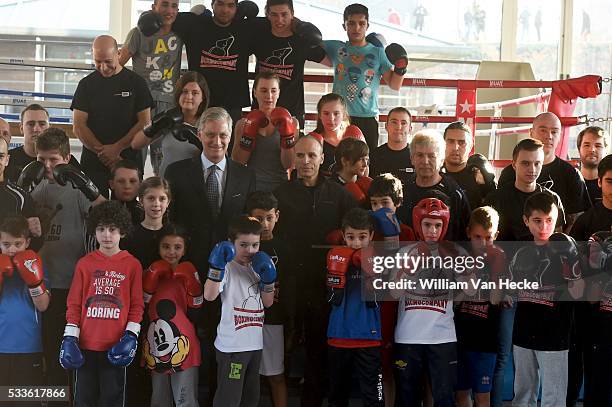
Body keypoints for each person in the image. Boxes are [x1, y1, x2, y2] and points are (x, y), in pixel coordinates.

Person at [165, 106, 255, 404]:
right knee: (190, 336)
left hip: (231, 276)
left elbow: (247, 228)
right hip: (188, 271)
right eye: (211, 134)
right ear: (200, 134)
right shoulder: (177, 172)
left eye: (223, 135)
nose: (217, 141)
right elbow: (171, 224)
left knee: (226, 341)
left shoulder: (245, 175)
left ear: (230, 137)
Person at [274, 134, 357, 406]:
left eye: (312, 155)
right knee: (284, 344)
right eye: (300, 155)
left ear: (322, 158)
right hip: (289, 280)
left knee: (318, 348)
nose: (306, 161)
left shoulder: (340, 195)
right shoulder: (281, 194)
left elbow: (358, 235)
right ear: (293, 159)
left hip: (325, 283)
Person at [28, 128, 105, 394]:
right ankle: (43, 398)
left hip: (69, 284)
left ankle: (64, 399)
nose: (47, 167)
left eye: (53, 160)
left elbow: (108, 217)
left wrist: (89, 189)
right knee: (39, 352)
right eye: (41, 160)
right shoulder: (33, 186)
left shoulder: (77, 188)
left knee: (64, 351)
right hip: (35, 283)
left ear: (67, 158)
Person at [59, 200, 144, 406]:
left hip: (116, 346)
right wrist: (70, 337)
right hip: (85, 345)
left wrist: (131, 334)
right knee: (84, 399)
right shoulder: (85, 264)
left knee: (112, 400)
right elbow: (74, 303)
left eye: (112, 229)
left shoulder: (132, 265)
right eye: (101, 229)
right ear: (93, 231)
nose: (107, 235)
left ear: (122, 232)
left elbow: (136, 305)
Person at [390, 198, 470, 407]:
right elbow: (394, 293)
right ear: (418, 224)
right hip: (408, 336)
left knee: (444, 398)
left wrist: (463, 270)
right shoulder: (405, 253)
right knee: (407, 399)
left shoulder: (455, 252)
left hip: (442, 336)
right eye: (427, 224)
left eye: (437, 225)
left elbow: (471, 290)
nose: (432, 230)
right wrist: (407, 269)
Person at [510, 192, 584, 407]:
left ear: (557, 219)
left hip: (555, 334)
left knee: (553, 398)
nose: (543, 227)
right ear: (526, 220)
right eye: (537, 221)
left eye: (549, 220)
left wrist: (573, 269)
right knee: (523, 394)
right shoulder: (520, 248)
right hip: (523, 331)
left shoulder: (566, 247)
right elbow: (512, 291)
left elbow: (579, 293)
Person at [203, 216, 276, 407]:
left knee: (250, 399)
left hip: (254, 345)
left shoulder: (259, 266)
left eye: (255, 245)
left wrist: (268, 281)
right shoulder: (227, 267)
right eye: (243, 244)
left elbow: (267, 303)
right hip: (232, 347)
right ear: (230, 243)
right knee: (229, 399)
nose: (250, 251)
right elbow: (209, 296)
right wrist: (216, 267)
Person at [72, 35, 153, 196]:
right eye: (98, 62)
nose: (103, 67)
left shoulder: (136, 83)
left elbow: (145, 122)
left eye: (108, 61)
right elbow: (79, 125)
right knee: (95, 213)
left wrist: (118, 148)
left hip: (127, 160)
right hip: (94, 161)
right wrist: (103, 154)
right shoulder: (86, 85)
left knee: (126, 213)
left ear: (119, 53)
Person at [321, 3, 406, 152]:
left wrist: (401, 67)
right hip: (340, 117)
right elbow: (309, 45)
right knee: (338, 159)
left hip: (368, 116)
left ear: (367, 26)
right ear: (344, 26)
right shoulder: (336, 48)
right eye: (351, 23)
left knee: (367, 162)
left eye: (361, 23)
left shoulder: (378, 52)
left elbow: (394, 85)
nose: (357, 28)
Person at [166, 0, 260, 128]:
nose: (225, 10)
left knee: (229, 145)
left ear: (237, 8)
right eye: (220, 4)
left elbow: (276, 27)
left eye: (230, 5)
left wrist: (297, 25)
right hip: (199, 102)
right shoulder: (196, 25)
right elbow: (167, 18)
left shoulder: (245, 29)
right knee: (195, 145)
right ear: (212, 5)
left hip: (232, 104)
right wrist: (194, 13)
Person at [325, 208, 383, 407]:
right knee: (336, 396)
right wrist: (337, 272)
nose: (356, 243)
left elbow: (378, 298)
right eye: (351, 237)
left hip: (369, 337)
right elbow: (333, 299)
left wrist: (371, 272)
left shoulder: (380, 260)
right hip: (339, 335)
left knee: (374, 397)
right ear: (343, 236)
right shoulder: (335, 257)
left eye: (362, 237)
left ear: (371, 236)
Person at [119, 0, 184, 175]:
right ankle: (131, 201)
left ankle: (163, 201)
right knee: (134, 157)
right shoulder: (138, 33)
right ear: (154, 7)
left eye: (174, 6)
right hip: (141, 104)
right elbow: (117, 64)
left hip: (168, 102)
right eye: (164, 4)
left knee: (163, 159)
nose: (169, 10)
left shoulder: (180, 32)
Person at [498, 112, 591, 232]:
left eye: (554, 131)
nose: (549, 136)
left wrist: (561, 246)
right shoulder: (510, 173)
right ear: (531, 133)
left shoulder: (571, 175)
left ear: (560, 135)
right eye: (543, 130)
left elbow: (577, 222)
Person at [142, 225, 203, 407]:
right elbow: (141, 307)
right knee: (159, 400)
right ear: (159, 247)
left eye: (177, 247)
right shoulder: (149, 272)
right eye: (166, 246)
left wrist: (193, 285)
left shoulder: (190, 274)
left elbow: (197, 314)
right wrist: (150, 277)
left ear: (184, 249)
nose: (171, 252)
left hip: (185, 345)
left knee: (185, 401)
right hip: (155, 345)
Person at [247, 191, 296, 407]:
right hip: (244, 320)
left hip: (273, 321)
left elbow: (290, 290)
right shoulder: (242, 247)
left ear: (277, 215)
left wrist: (291, 325)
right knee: (245, 378)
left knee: (276, 376)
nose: (265, 224)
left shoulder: (284, 248)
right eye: (259, 218)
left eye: (269, 217)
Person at [455, 206, 505, 407]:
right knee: (461, 394)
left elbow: (494, 299)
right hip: (461, 336)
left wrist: (494, 272)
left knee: (483, 397)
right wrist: (467, 280)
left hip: (486, 341)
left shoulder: (500, 257)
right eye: (477, 237)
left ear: (496, 235)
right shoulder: (460, 258)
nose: (483, 243)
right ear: (468, 233)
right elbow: (455, 301)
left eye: (488, 237)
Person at [0, 215, 50, 407]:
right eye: (6, 244)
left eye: (18, 244)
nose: (12, 249)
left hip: (28, 349)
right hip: (1, 348)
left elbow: (43, 305)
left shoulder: (36, 265)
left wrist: (33, 280)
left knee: (26, 402)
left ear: (28, 242)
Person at [252, 0, 326, 126]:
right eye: (274, 15)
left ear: (292, 14)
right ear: (267, 14)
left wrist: (364, 46)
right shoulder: (259, 36)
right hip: (261, 111)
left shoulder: (302, 40)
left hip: (292, 113)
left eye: (284, 14)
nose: (279, 20)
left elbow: (331, 61)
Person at [131, 71, 210, 178]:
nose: (189, 96)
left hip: (193, 186)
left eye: (195, 93)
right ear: (178, 94)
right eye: (184, 91)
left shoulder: (209, 122)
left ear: (203, 97)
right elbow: (136, 144)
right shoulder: (170, 118)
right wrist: (155, 126)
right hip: (167, 186)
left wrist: (199, 141)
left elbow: (222, 158)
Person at [396, 129, 471, 240]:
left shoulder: (454, 193)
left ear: (441, 160)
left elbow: (465, 236)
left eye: (431, 156)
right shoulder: (403, 191)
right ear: (412, 159)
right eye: (420, 155)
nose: (425, 161)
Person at [486, 138, 566, 241]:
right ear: (514, 164)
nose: (532, 169)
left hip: (543, 256)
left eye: (537, 164)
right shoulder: (495, 198)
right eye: (526, 163)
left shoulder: (553, 199)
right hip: (505, 255)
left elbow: (557, 239)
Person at [231, 72, 297, 192]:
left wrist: (286, 134)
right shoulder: (243, 124)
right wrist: (249, 133)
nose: (269, 96)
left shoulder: (292, 123)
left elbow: (288, 164)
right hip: (252, 188)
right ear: (255, 92)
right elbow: (239, 162)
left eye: (273, 90)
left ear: (279, 92)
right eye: (264, 90)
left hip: (280, 188)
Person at [5, 104, 80, 183]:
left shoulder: (67, 161)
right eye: (31, 124)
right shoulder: (7, 160)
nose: (36, 129)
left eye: (42, 124)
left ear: (49, 127)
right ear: (21, 128)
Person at [442, 121, 496, 209]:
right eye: (450, 141)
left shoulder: (480, 176)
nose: (455, 147)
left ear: (470, 146)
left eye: (462, 142)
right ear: (443, 144)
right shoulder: (434, 173)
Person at [310, 93, 365, 177]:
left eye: (336, 113)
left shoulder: (354, 135)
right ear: (320, 115)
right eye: (326, 113)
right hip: (323, 189)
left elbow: (365, 172)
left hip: (351, 188)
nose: (331, 118)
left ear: (343, 115)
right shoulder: (313, 140)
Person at [122, 177, 171, 270]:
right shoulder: (130, 236)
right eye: (151, 198)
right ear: (141, 201)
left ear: (168, 202)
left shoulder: (173, 234)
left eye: (162, 199)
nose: (156, 204)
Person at [0, 137, 41, 245]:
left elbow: (34, 241)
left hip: (10, 261)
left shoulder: (21, 197)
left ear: (7, 160)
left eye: (0, 156)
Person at [369, 107, 413, 185]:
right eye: (394, 122)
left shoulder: (417, 157)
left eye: (403, 123)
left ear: (410, 129)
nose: (398, 127)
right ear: (386, 126)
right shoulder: (373, 156)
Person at [576, 126, 609, 205]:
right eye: (587, 145)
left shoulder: (609, 184)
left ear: (606, 151)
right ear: (579, 149)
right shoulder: (569, 181)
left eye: (598, 146)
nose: (592, 150)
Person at [109, 159, 143, 225]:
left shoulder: (147, 213)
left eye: (132, 181)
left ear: (140, 184)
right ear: (112, 184)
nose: (127, 186)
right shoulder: (102, 212)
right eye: (121, 181)